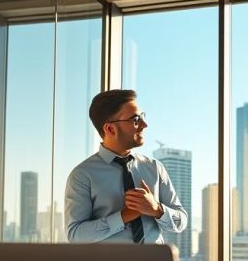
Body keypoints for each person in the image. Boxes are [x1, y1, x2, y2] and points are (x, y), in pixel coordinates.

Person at [65, 89, 188, 244]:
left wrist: (157, 209)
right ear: (110, 129)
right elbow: (75, 235)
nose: (144, 125)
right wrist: (123, 216)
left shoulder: (155, 168)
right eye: (136, 119)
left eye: (142, 117)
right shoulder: (83, 175)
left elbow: (181, 222)